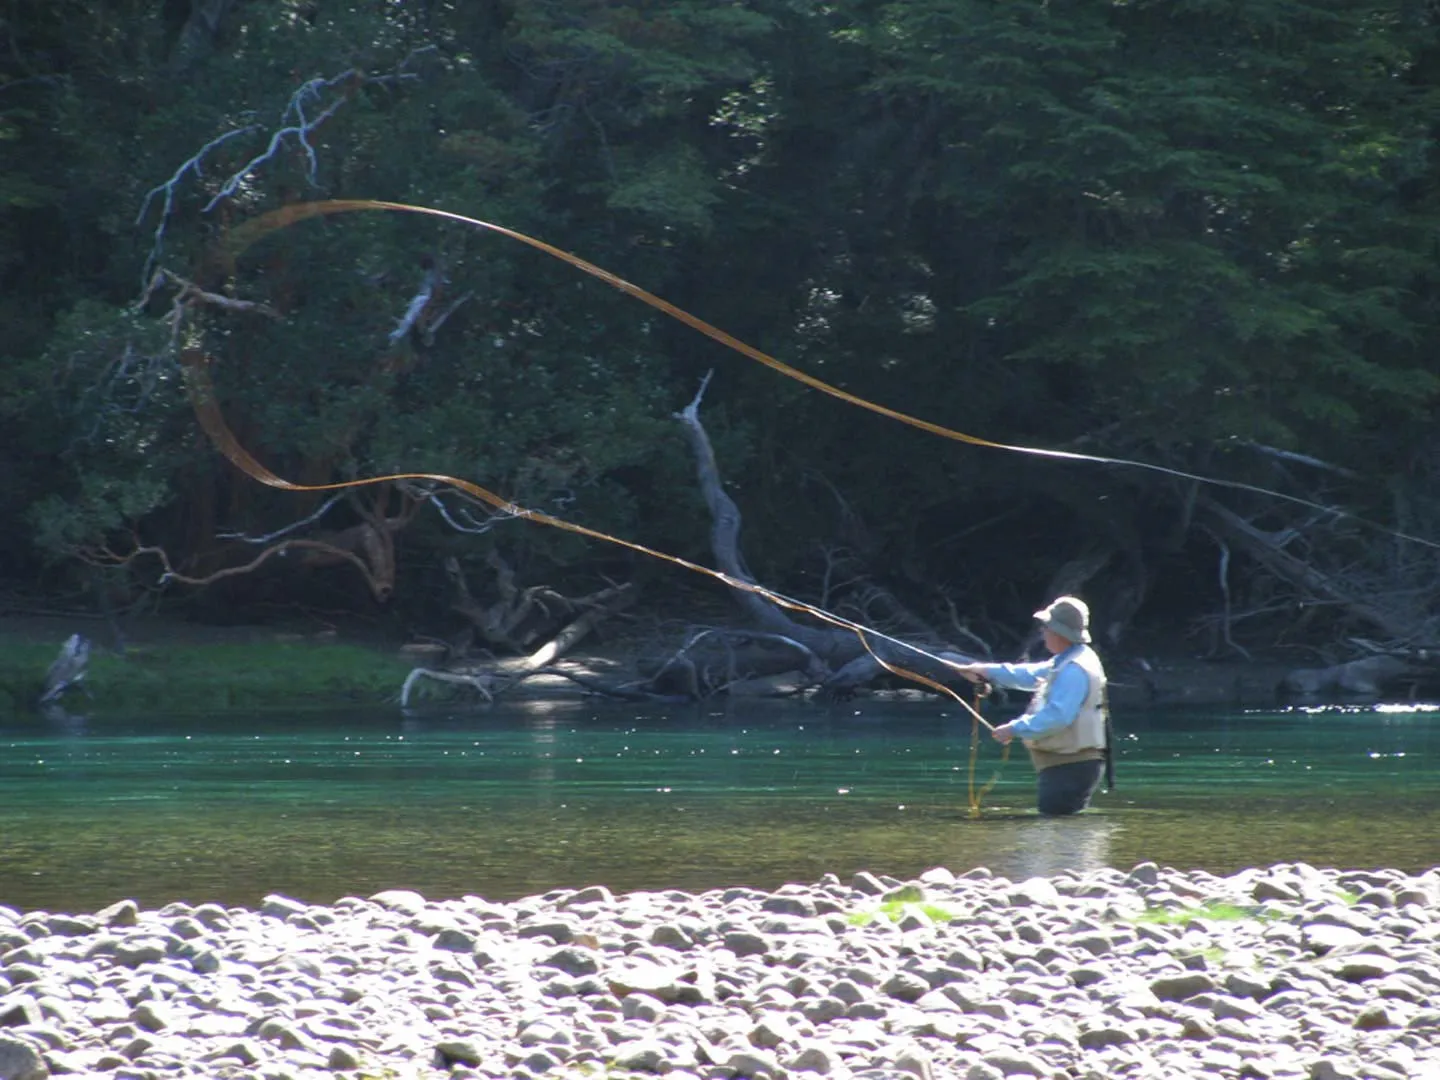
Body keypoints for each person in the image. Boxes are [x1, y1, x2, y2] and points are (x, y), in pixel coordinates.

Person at [952, 596, 1111, 816]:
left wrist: (1014, 728)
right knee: (1057, 834)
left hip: (1070, 767)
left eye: (1046, 627)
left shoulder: (1074, 669)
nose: (1043, 632)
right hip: (1067, 764)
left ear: (1059, 632)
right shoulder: (1068, 659)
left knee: (1058, 833)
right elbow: (1028, 675)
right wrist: (984, 671)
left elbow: (1058, 716)